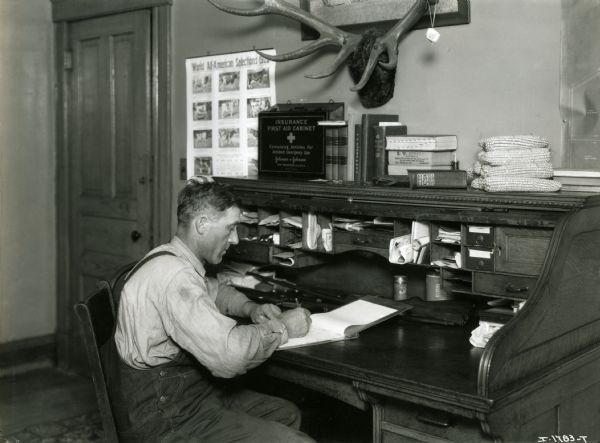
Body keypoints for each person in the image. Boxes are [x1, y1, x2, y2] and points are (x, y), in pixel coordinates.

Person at [108, 176, 315, 442]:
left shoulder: (170, 256)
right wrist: (284, 327)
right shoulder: (175, 277)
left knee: (285, 413)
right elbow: (230, 357)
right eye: (230, 228)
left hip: (189, 397)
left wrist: (250, 308)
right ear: (202, 225)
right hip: (166, 417)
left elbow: (213, 290)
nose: (235, 239)